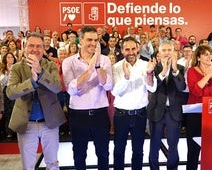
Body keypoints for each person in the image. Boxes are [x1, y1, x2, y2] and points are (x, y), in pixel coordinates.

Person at [6, 32, 66, 170]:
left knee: (52, 163)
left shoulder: (50, 66)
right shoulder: (17, 68)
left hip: (49, 123)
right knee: (28, 165)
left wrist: (40, 72)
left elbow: (57, 87)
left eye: (39, 46)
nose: (35, 49)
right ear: (25, 47)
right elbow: (11, 93)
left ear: (44, 48)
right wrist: (32, 82)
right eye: (31, 45)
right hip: (26, 124)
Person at [62, 25, 113, 170]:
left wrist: (97, 66)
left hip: (100, 113)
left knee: (103, 153)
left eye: (95, 40)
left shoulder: (104, 60)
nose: (93, 43)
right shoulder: (69, 62)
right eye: (89, 40)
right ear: (81, 40)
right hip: (78, 115)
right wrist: (89, 69)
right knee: (79, 154)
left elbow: (108, 86)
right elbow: (71, 89)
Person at [111, 36, 157, 170]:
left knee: (138, 150)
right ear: (122, 50)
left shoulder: (145, 65)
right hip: (121, 115)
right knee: (119, 150)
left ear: (138, 49)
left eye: (133, 49)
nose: (130, 52)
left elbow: (152, 88)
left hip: (140, 115)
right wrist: (126, 77)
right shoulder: (116, 67)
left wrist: (149, 73)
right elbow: (114, 92)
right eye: (127, 49)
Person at [147, 41, 186, 170]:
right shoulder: (153, 67)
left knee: (173, 145)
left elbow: (182, 87)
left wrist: (174, 69)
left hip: (173, 112)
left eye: (169, 50)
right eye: (164, 50)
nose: (167, 53)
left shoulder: (180, 68)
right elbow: (153, 88)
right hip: (157, 111)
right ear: (159, 53)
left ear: (174, 51)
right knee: (154, 145)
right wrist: (163, 71)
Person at [0, 52, 17, 139]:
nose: (10, 59)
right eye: (8, 57)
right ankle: (8, 131)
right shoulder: (2, 70)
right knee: (8, 112)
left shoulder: (17, 68)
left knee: (16, 111)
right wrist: (8, 73)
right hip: (5, 92)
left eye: (12, 57)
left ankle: (16, 131)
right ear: (5, 59)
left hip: (15, 91)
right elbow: (2, 82)